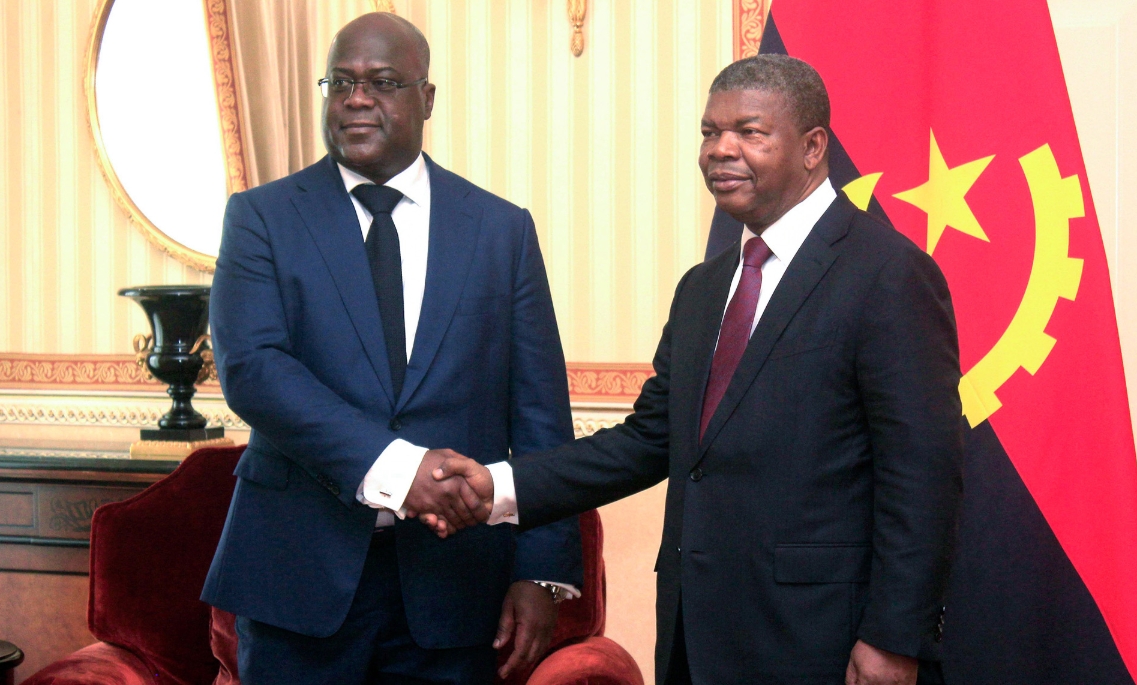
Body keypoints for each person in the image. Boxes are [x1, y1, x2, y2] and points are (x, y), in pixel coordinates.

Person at [427, 55, 964, 685]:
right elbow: (648, 440)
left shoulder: (888, 274)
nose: (720, 151)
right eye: (710, 132)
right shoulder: (704, 288)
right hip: (695, 638)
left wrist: (894, 639)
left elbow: (922, 478)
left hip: (823, 642)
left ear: (814, 147)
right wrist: (498, 486)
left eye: (750, 132)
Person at [202, 12, 582, 684]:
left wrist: (542, 570)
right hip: (300, 584)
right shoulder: (261, 218)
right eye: (340, 82)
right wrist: (401, 468)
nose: (355, 98)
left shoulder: (500, 231)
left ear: (425, 98)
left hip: (456, 587)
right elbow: (253, 370)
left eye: (382, 82)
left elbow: (541, 417)